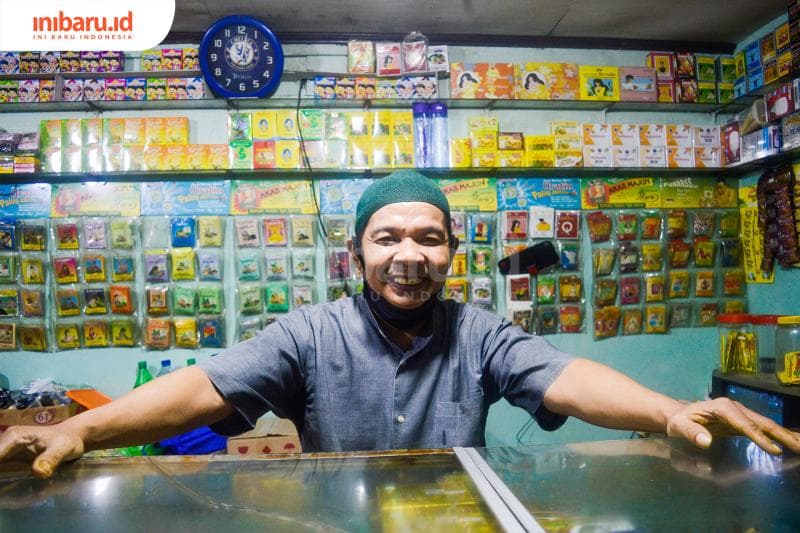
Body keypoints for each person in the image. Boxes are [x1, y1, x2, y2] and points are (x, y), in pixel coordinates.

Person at [1, 170, 799, 480]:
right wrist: (85, 427)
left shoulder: (480, 332)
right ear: (357, 253)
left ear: (451, 251)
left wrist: (668, 410)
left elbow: (566, 376)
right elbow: (203, 386)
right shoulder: (309, 333)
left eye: (429, 237)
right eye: (388, 237)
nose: (409, 254)